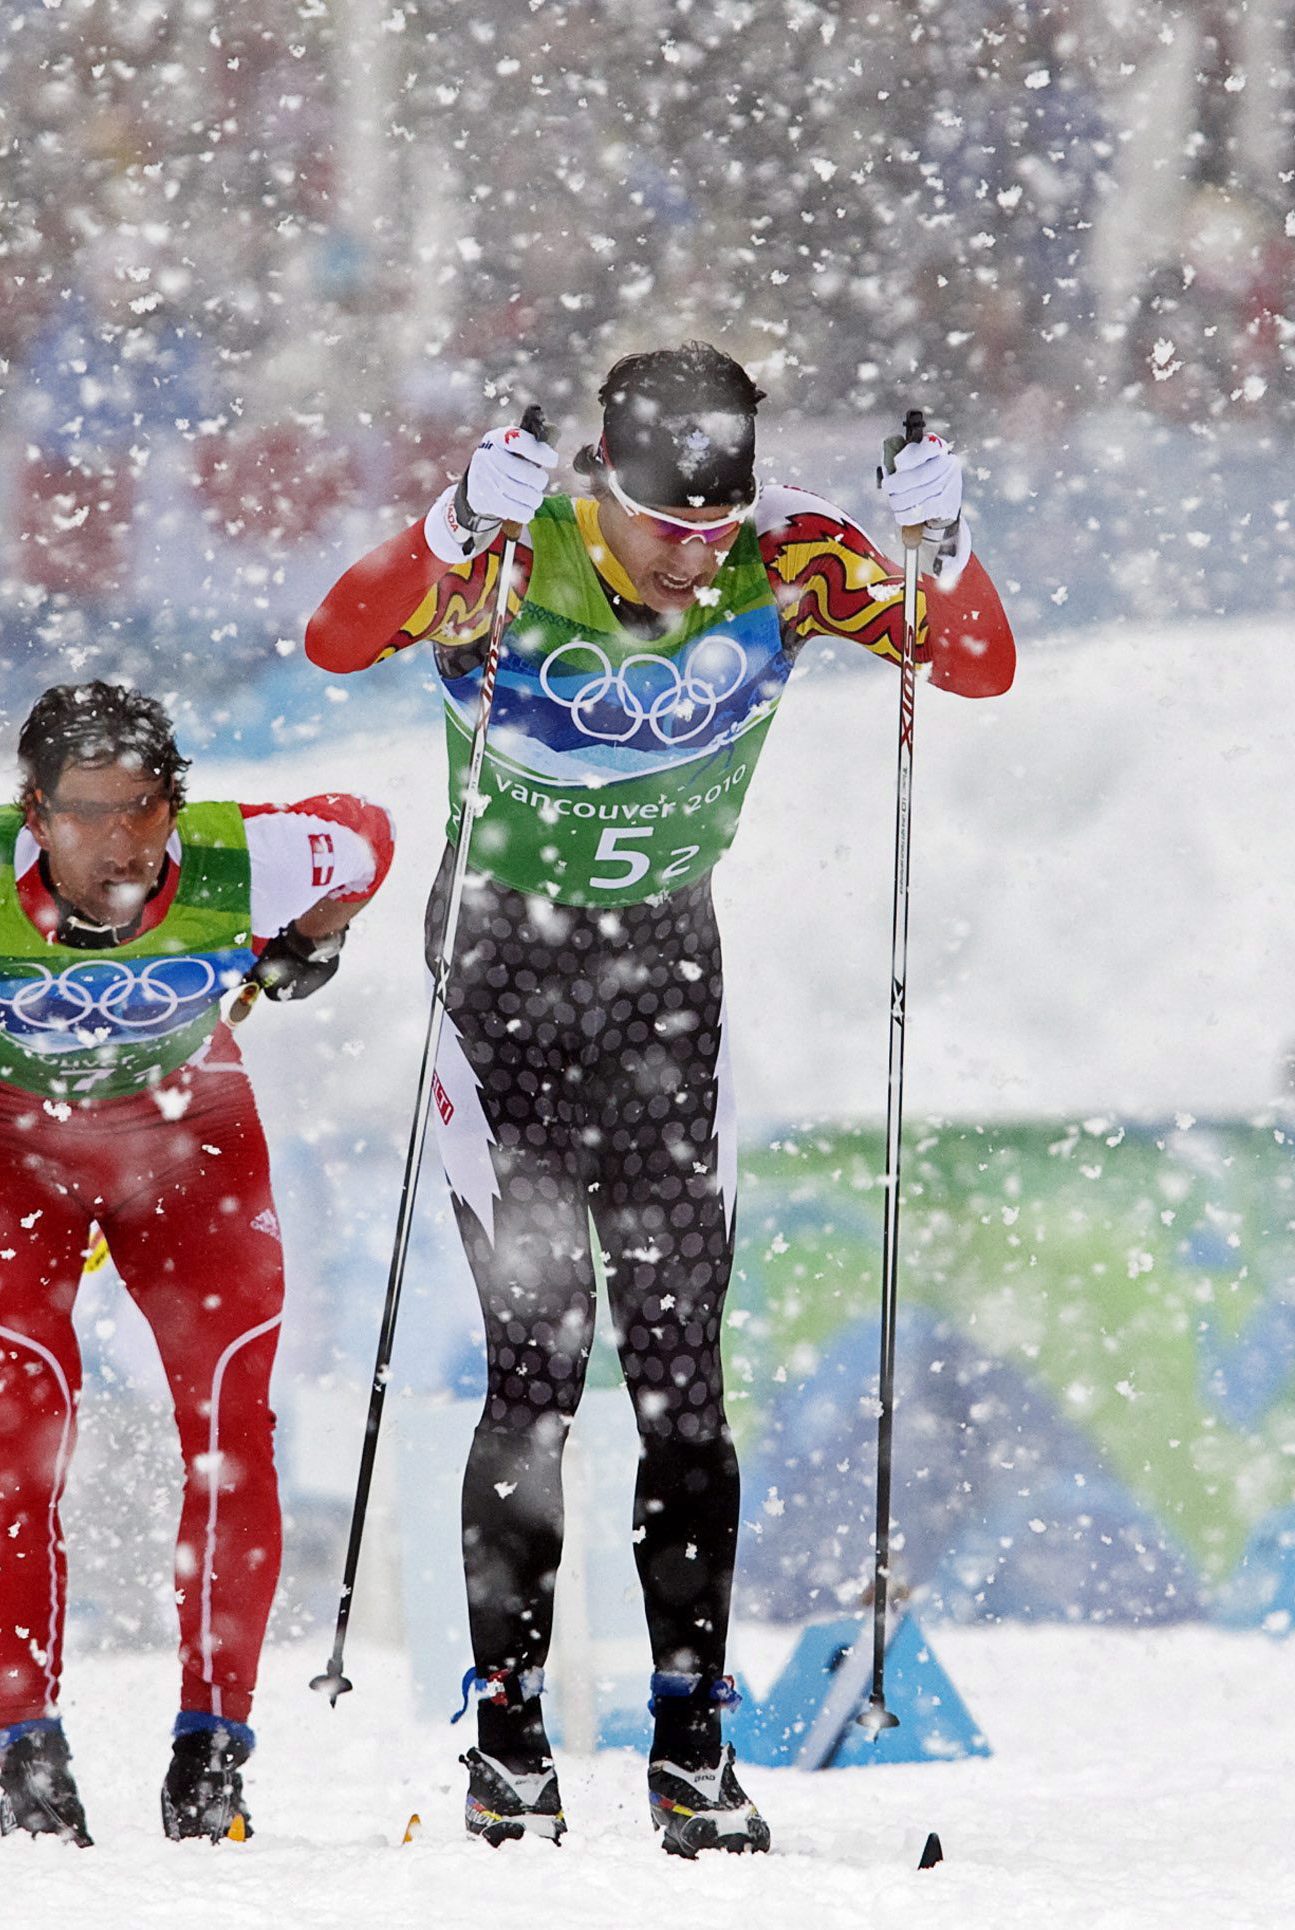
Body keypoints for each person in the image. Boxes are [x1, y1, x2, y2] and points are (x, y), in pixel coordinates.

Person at [304, 344, 1014, 1857]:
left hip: (664, 994)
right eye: (663, 525)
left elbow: (973, 662)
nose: (696, 556)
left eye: (717, 527)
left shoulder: (792, 554)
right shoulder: (512, 549)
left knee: (688, 1386)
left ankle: (695, 1747)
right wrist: (443, 522)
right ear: (596, 486)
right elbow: (334, 637)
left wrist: (944, 546)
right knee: (537, 1381)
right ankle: (510, 1741)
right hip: (503, 992)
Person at [0, 682, 392, 1845]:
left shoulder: (240, 857)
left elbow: (367, 840)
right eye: (87, 813)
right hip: (4, 1143)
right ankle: (28, 1748)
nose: (121, 841)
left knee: (231, 1426)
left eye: (146, 808)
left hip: (185, 1134)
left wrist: (310, 940)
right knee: (26, 1422)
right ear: (34, 813)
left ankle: (215, 1744)